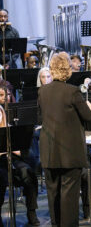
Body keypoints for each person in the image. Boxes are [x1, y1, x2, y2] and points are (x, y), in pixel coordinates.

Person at [38, 52, 91, 226]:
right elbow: (88, 116)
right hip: (69, 152)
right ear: (68, 69)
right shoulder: (72, 91)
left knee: (52, 193)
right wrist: (90, 106)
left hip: (49, 151)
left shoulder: (42, 91)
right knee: (69, 195)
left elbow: (41, 116)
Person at [0, 87, 40, 226]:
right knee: (1, 177)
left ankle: (31, 212)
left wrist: (15, 149)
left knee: (29, 173)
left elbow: (21, 149)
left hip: (12, 159)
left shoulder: (10, 120)